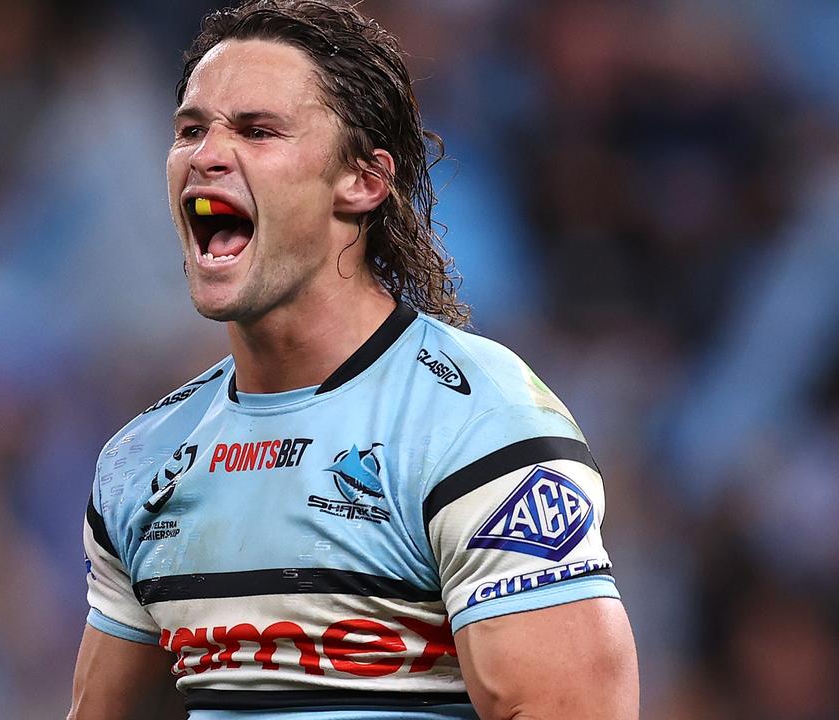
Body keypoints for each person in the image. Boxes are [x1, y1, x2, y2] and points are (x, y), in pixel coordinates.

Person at [69, 1, 639, 718]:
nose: (206, 154)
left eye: (256, 130)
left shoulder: (480, 429)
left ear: (364, 180)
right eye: (190, 130)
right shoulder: (141, 463)